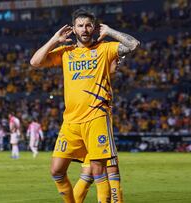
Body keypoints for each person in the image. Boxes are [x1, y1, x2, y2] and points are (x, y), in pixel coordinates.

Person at [30, 9, 139, 203]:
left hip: (96, 117)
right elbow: (35, 62)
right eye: (80, 25)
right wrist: (55, 39)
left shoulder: (104, 49)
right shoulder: (67, 52)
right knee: (56, 170)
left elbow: (133, 44)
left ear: (94, 27)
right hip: (71, 122)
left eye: (89, 25)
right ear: (74, 29)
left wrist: (110, 31)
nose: (85, 29)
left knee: (98, 169)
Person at [73, 58, 125, 203]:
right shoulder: (101, 79)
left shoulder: (93, 78)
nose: (118, 64)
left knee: (87, 175)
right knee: (113, 172)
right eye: (116, 61)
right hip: (98, 131)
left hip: (86, 129)